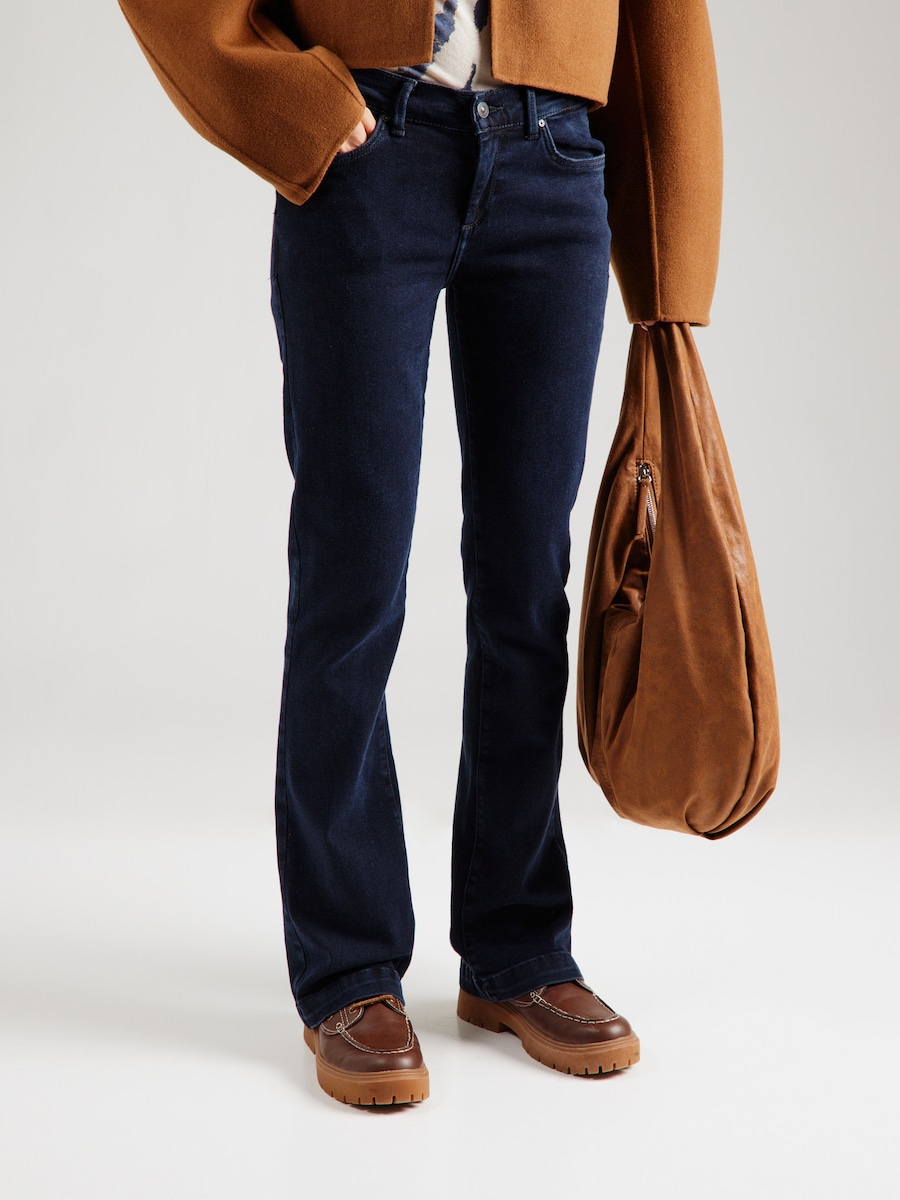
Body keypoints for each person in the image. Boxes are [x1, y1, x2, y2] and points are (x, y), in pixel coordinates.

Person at [117, 0, 723, 1107]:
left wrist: (673, 267)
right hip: (369, 148)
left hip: (557, 152)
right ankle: (348, 970)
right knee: (352, 578)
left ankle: (518, 948)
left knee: (528, 583)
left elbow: (662, 17)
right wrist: (283, 94)